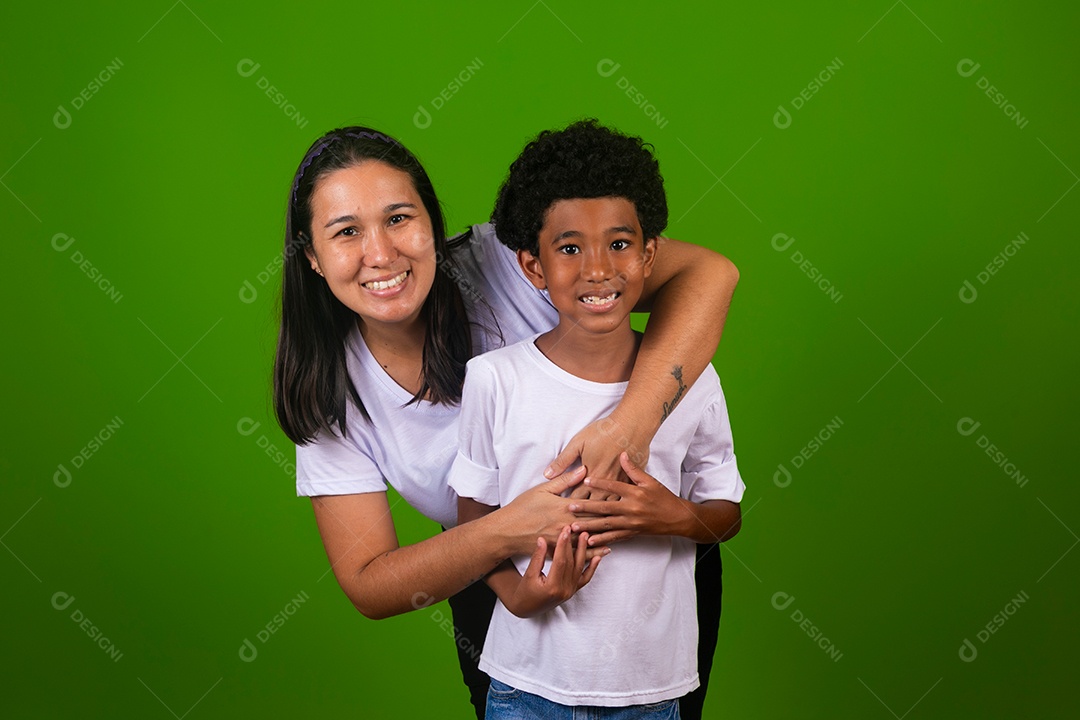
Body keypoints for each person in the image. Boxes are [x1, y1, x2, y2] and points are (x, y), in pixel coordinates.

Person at [273, 125, 739, 718]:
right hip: (494, 586)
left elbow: (710, 274)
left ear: (432, 224)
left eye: (399, 218)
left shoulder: (511, 260)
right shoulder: (328, 390)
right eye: (346, 233)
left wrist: (628, 429)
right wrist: (510, 534)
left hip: (649, 573)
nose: (381, 254)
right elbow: (369, 581)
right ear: (311, 256)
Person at [450, 119, 744, 719]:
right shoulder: (494, 379)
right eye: (569, 248)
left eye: (618, 243)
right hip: (525, 686)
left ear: (650, 254)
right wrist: (521, 594)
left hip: (652, 689)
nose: (598, 269)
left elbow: (726, 514)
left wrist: (673, 516)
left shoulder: (690, 379)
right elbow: (472, 523)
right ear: (533, 267)